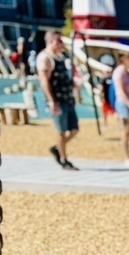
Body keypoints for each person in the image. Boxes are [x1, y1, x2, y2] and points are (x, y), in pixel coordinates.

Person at [37, 31, 79, 171]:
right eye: (58, 41)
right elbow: (44, 80)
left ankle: (57, 148)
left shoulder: (61, 57)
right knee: (61, 131)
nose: (61, 43)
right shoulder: (45, 58)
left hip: (68, 98)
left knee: (74, 129)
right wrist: (51, 100)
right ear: (51, 42)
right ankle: (63, 159)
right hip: (57, 100)